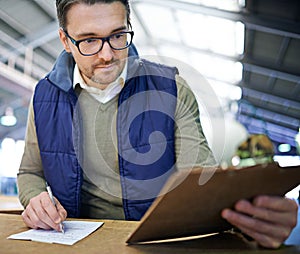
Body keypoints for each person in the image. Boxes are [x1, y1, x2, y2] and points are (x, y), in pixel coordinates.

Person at [17, 0, 297, 249]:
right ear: (65, 41)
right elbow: (30, 171)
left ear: (129, 25)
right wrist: (34, 198)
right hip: (75, 243)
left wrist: (248, 220)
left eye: (117, 35)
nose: (107, 55)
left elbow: (200, 182)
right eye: (89, 40)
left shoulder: (171, 89)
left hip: (154, 243)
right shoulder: (44, 97)